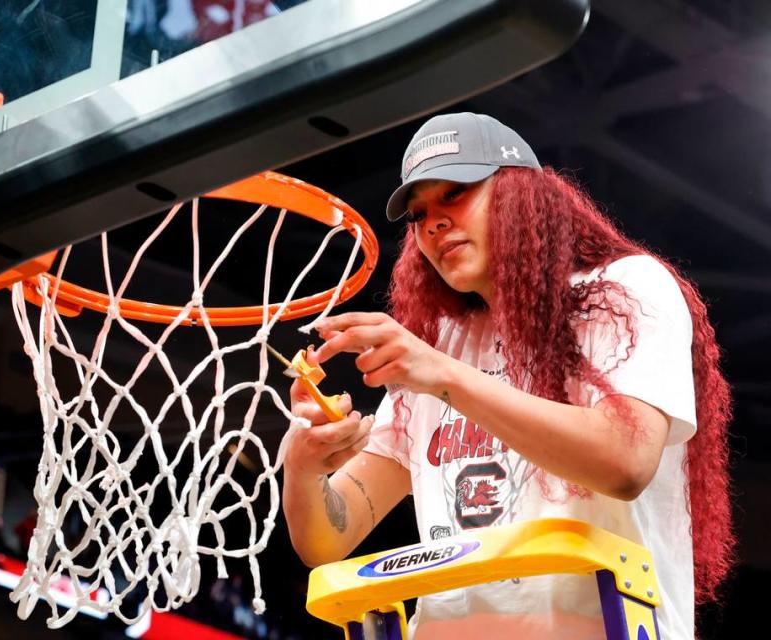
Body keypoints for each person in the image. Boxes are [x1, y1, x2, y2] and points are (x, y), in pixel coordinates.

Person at [281, 113, 733, 639]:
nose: (433, 222)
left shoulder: (623, 290)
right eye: (418, 213)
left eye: (455, 193)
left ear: (521, 193)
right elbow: (326, 540)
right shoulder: (437, 347)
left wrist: (443, 375)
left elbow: (625, 460)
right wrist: (303, 467)